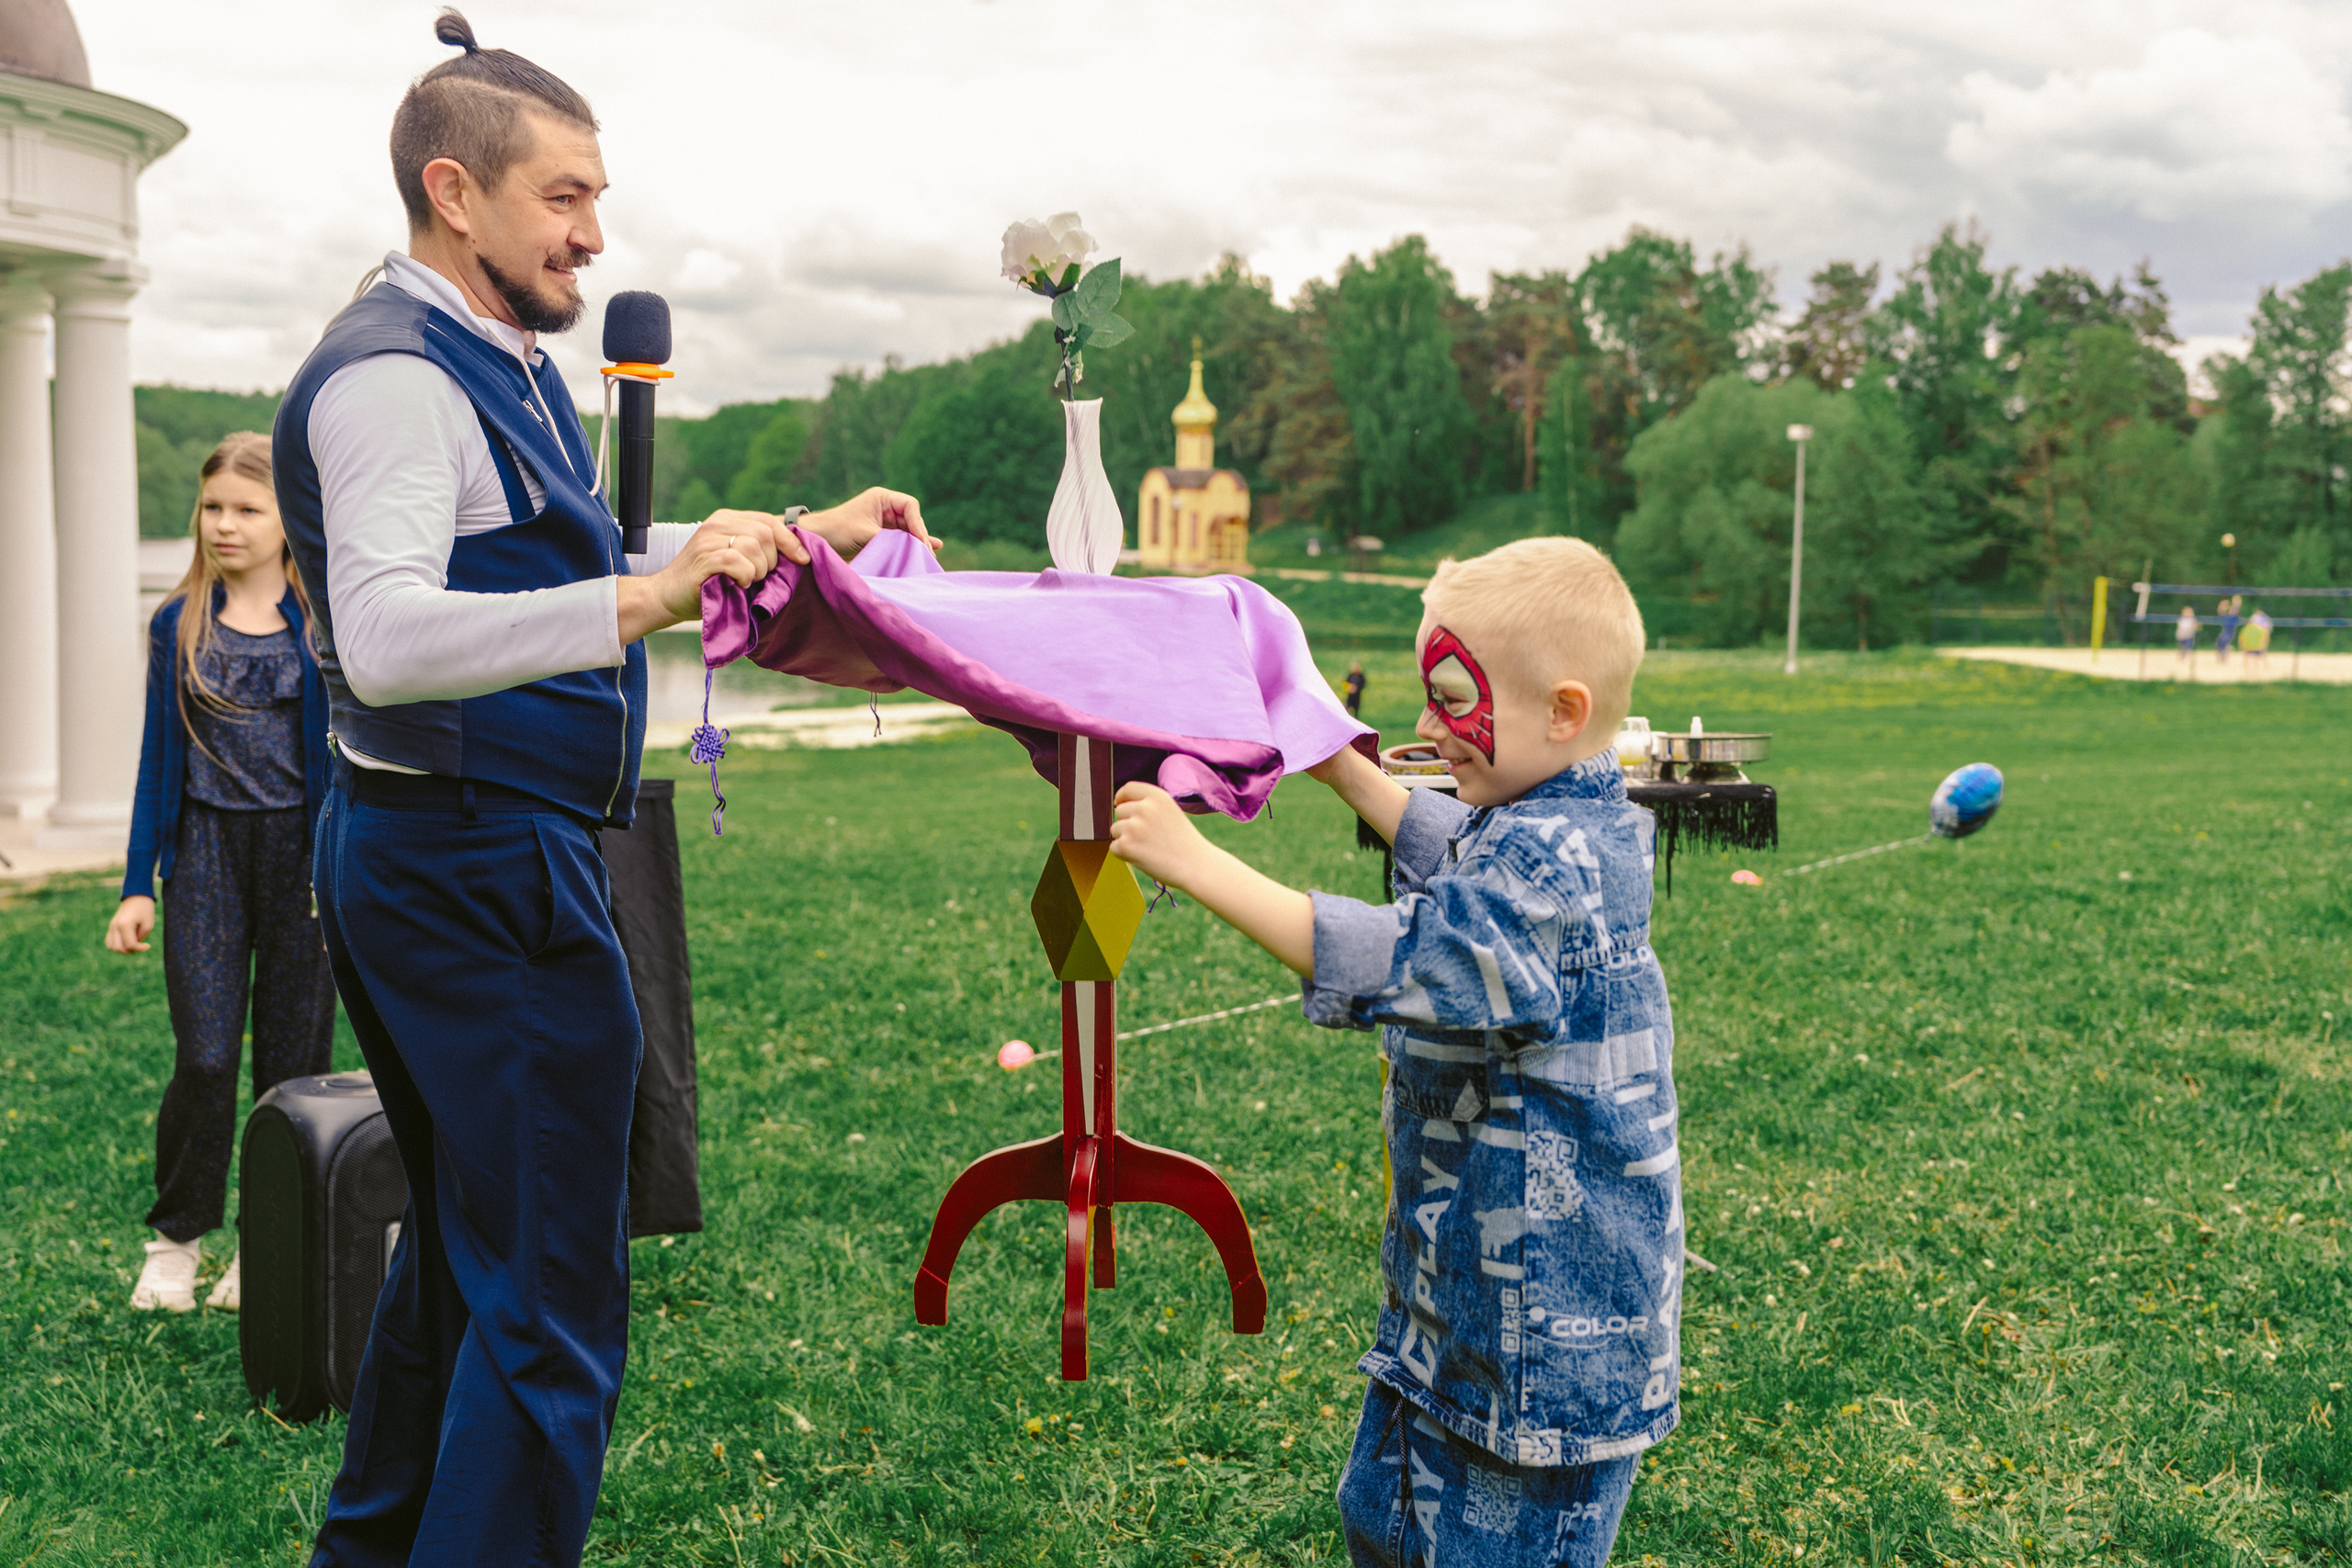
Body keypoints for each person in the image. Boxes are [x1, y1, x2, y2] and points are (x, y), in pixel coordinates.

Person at [277, 16, 933, 1565]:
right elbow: (383, 635)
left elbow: (559, 569)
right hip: (471, 862)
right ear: (456, 191)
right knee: (553, 1289)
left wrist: (787, 531)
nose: (593, 233)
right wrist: (647, 605)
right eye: (564, 195)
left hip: (461, 848)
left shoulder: (488, 358)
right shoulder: (390, 381)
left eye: (598, 197)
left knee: (464, 1258)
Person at [1108, 537, 1677, 1567]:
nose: (1427, 725)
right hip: (1457, 1316)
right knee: (1384, 1522)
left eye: (1455, 697)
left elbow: (1417, 955)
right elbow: (1451, 842)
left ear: (1562, 711)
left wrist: (1197, 865)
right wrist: (1331, 758)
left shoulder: (1563, 864)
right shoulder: (1534, 818)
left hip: (1543, 1356)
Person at [107, 433, 336, 1315]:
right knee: (205, 1058)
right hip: (203, 857)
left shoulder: (319, 622)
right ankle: (176, 1243)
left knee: (290, 1071)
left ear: (289, 522)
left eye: (248, 509)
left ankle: (266, 1242)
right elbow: (156, 763)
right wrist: (136, 882)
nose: (225, 526)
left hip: (299, 867)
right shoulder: (178, 624)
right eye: (212, 508)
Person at [2242, 604, 2273, 675]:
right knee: (2261, 653)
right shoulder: (2262, 625)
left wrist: (2243, 646)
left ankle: (2247, 668)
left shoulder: (2248, 628)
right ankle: (2262, 667)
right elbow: (2267, 631)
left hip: (2249, 646)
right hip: (2259, 644)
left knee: (2248, 655)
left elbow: (2242, 638)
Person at [2176, 602, 2199, 668]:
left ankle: (2188, 658)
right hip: (2181, 636)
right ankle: (2181, 657)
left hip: (2189, 636)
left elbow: (2197, 627)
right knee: (2182, 648)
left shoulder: (2192, 620)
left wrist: (2196, 625)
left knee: (2188, 647)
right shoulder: (2182, 620)